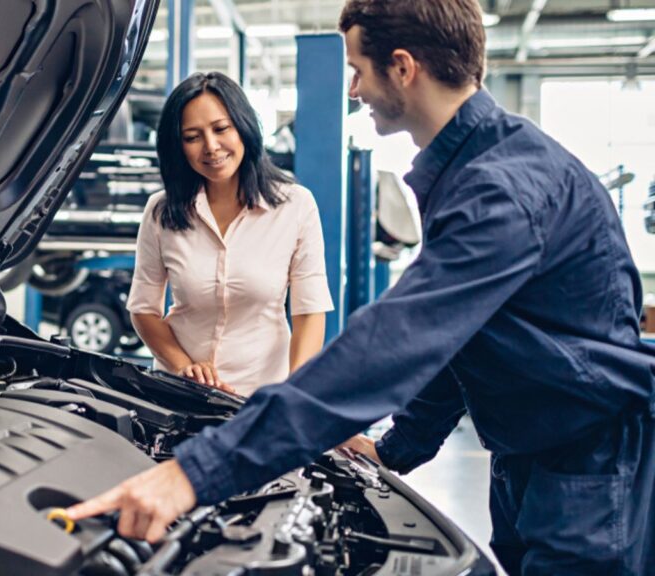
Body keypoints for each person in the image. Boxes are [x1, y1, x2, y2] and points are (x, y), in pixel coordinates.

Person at [68, 1, 655, 573]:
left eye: (357, 70)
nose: (352, 90)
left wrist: (194, 474)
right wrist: (397, 449)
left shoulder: (500, 191)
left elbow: (395, 341)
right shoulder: (469, 172)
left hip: (587, 469)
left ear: (403, 67)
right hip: (529, 457)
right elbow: (462, 337)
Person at [126, 72, 334, 396]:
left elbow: (309, 312)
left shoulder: (296, 206)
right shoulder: (161, 211)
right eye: (192, 137)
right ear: (177, 146)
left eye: (221, 129)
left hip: (262, 397)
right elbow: (143, 309)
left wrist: (294, 395)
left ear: (244, 127)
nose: (211, 147)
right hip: (180, 394)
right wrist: (183, 365)